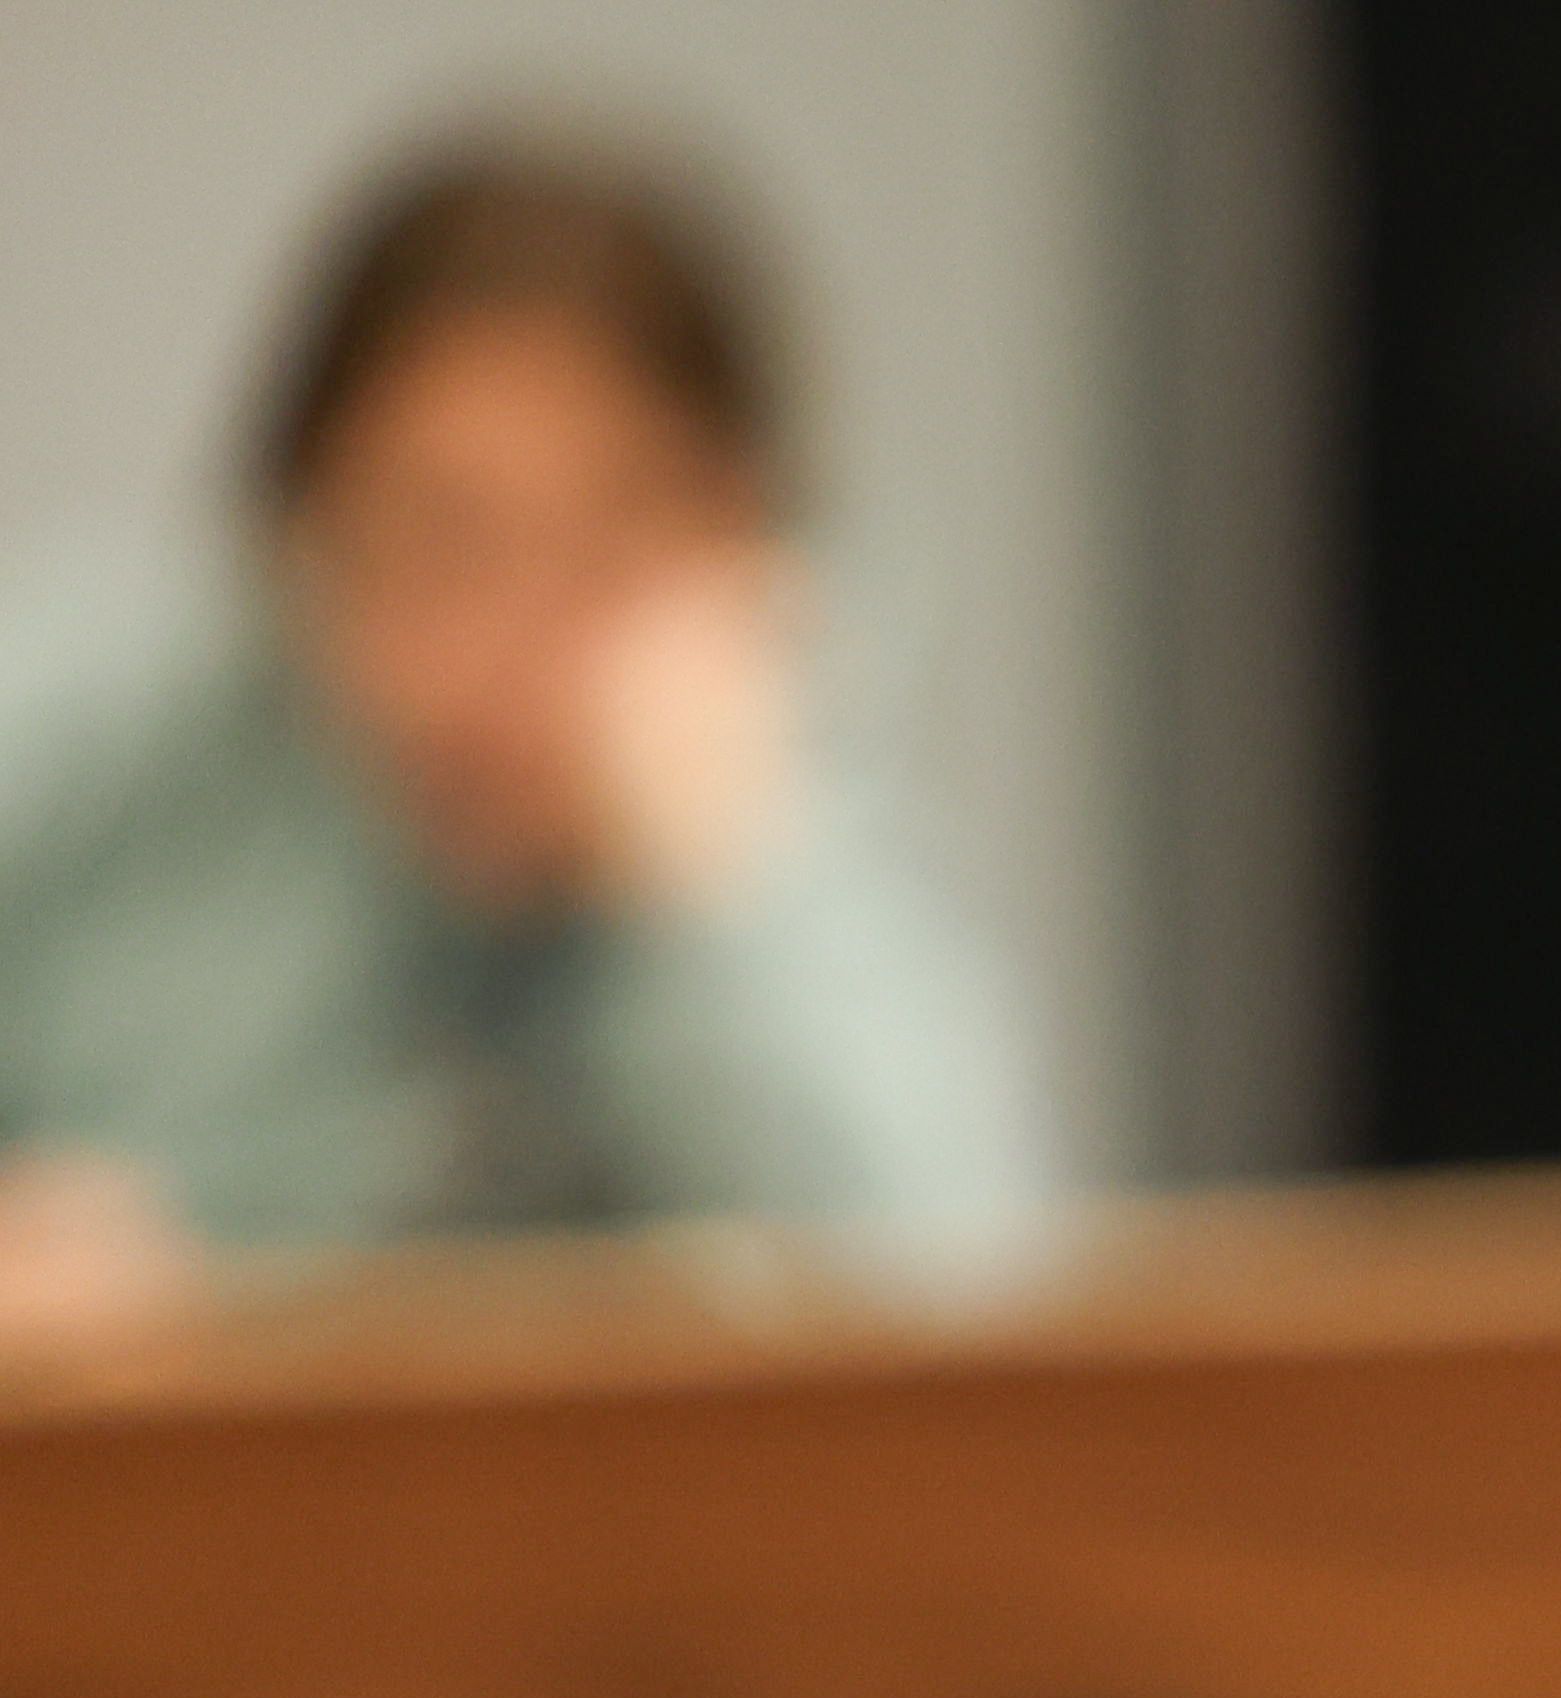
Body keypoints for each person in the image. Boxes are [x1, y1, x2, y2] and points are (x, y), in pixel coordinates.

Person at [0, 130, 1042, 1351]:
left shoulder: (783, 850)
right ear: (298, 540)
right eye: (445, 537)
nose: (518, 643)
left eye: (616, 540)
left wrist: (721, 884)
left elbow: (968, 1339)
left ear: (752, 554)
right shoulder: (106, 732)